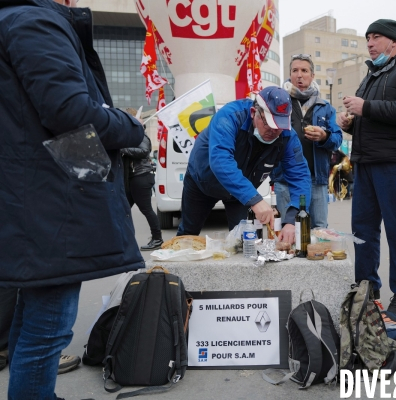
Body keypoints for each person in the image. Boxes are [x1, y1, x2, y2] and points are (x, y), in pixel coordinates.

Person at [0, 0, 146, 398]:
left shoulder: (17, 20)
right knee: (49, 326)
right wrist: (131, 126)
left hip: (31, 194)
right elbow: (70, 111)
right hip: (48, 200)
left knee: (32, 315)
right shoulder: (34, 21)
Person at [337, 19, 396, 318]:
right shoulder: (372, 73)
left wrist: (365, 108)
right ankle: (367, 288)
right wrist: (351, 123)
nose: (370, 42)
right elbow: (373, 117)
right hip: (365, 163)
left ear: (394, 41)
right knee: (363, 230)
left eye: (376, 37)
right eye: (367, 37)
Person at [177, 86, 311, 244]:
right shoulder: (229, 116)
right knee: (187, 235)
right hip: (202, 182)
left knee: (243, 241)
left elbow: (300, 175)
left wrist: (291, 219)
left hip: (239, 192)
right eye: (268, 123)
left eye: (279, 126)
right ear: (254, 112)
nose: (274, 131)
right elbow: (221, 161)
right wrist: (254, 199)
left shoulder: (288, 137)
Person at [272, 54, 343, 227]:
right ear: (290, 74)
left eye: (304, 70)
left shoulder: (325, 107)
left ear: (312, 76)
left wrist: (324, 136)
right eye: (295, 70)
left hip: (316, 179)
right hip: (286, 179)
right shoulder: (279, 102)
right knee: (288, 228)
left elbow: (338, 138)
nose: (299, 75)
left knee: (319, 228)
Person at [121, 133, 163, 250]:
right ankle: (124, 240)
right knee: (123, 210)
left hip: (141, 176)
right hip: (131, 177)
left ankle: (157, 239)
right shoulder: (128, 137)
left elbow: (144, 151)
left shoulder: (140, 136)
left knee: (146, 209)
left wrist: (123, 148)